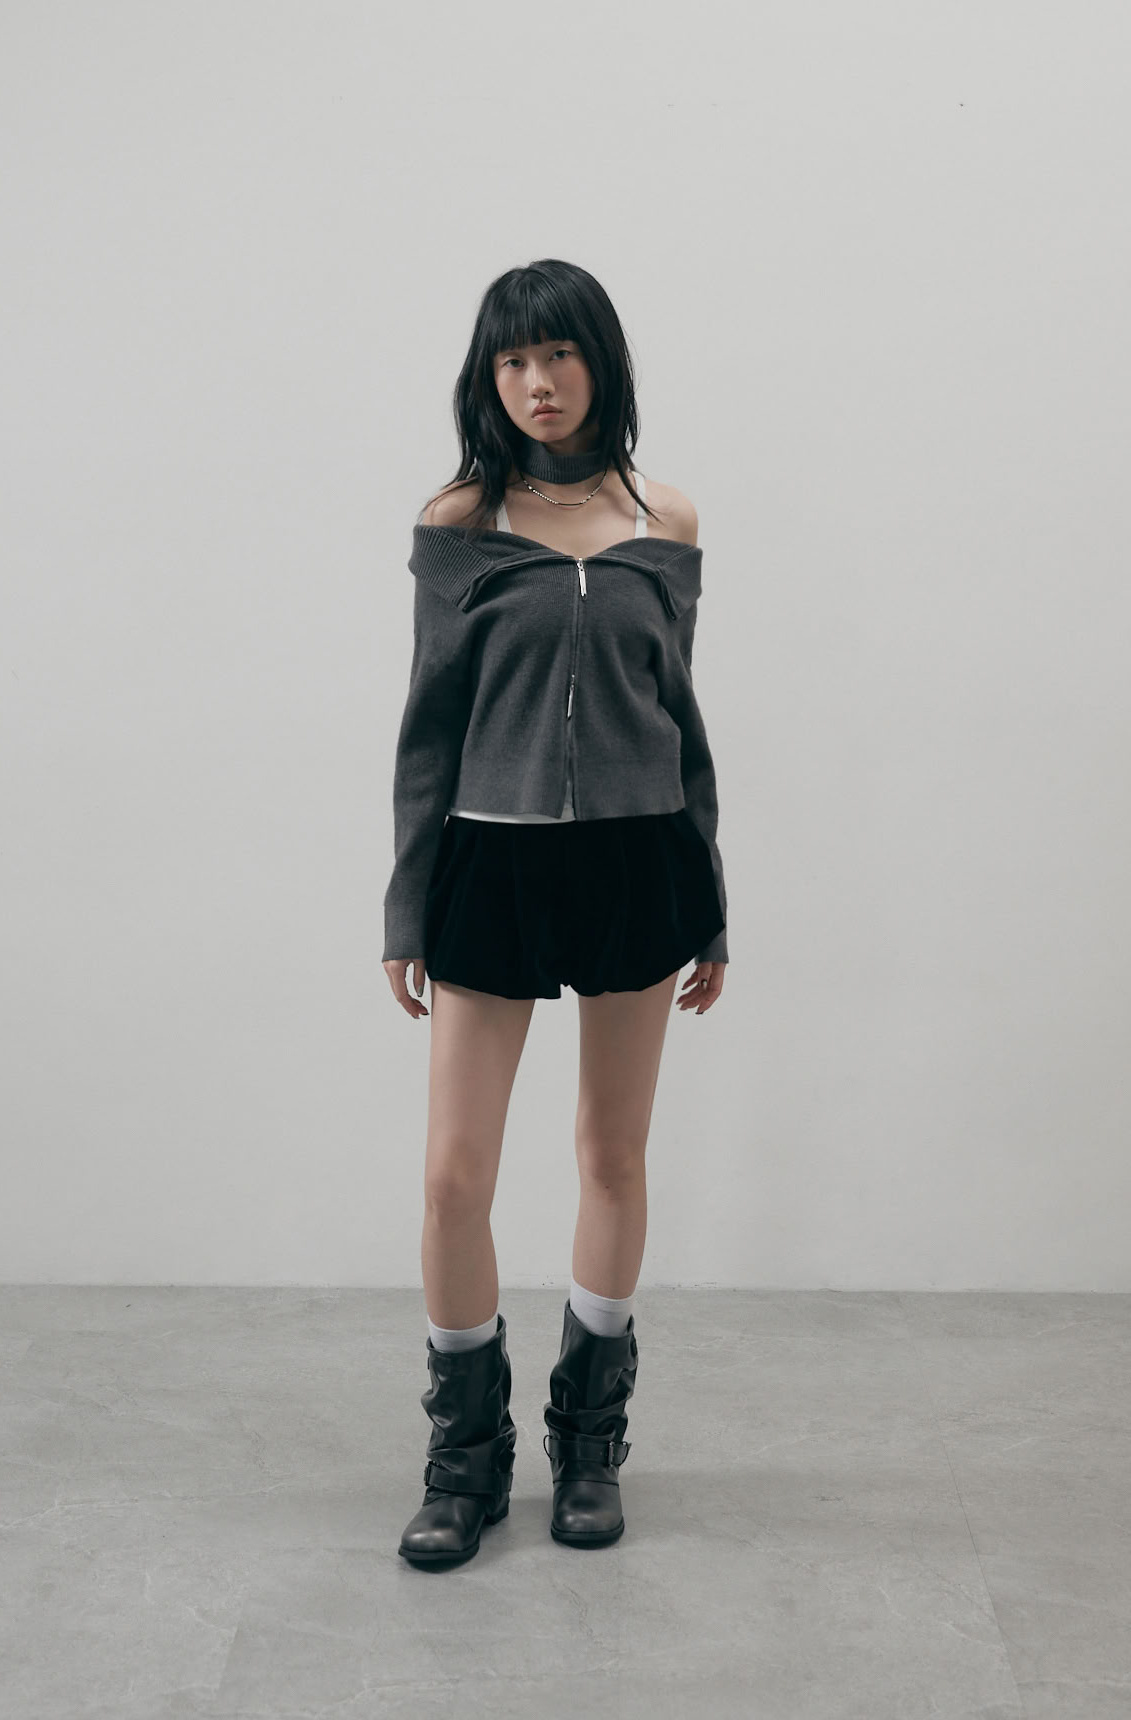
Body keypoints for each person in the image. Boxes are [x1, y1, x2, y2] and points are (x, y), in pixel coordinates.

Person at [381, 258, 728, 1570]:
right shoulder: (460, 522)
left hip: (640, 861)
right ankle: (464, 1461)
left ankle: (589, 1448)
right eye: (513, 360)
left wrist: (710, 900)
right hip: (494, 859)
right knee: (453, 1174)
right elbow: (429, 728)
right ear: (490, 376)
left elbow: (678, 715)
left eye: (559, 354)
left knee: (612, 1157)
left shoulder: (665, 519)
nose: (537, 382)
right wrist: (407, 902)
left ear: (600, 363)